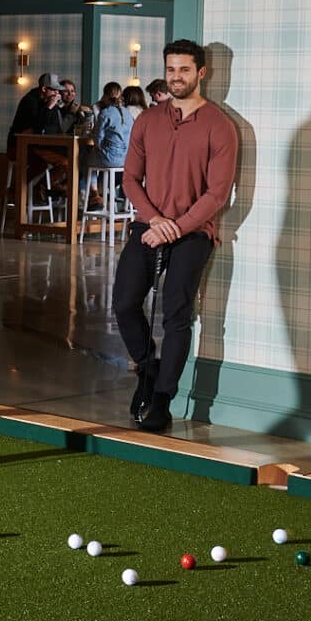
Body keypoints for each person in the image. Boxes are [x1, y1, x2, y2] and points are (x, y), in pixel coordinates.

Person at [112, 39, 238, 431]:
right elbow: (130, 179)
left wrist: (176, 228)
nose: (177, 77)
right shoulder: (148, 120)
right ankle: (150, 372)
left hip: (193, 233)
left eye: (184, 69)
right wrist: (154, 221)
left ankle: (162, 401)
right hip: (149, 227)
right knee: (123, 303)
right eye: (171, 69)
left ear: (202, 73)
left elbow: (218, 193)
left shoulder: (221, 126)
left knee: (177, 314)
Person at [7, 72, 71, 195]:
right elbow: (38, 127)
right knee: (63, 163)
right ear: (44, 89)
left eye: (58, 91)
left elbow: (56, 127)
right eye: (54, 91)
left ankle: (38, 189)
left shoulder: (49, 101)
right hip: (19, 147)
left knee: (70, 160)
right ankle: (23, 190)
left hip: (39, 146)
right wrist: (49, 106)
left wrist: (55, 107)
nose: (57, 94)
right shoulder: (30, 101)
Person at [83, 83, 133, 208]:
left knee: (86, 160)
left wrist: (97, 143)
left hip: (110, 159)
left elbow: (98, 139)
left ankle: (95, 194)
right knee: (96, 160)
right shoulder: (128, 113)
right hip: (126, 159)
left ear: (105, 95)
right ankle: (103, 196)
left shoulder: (105, 113)